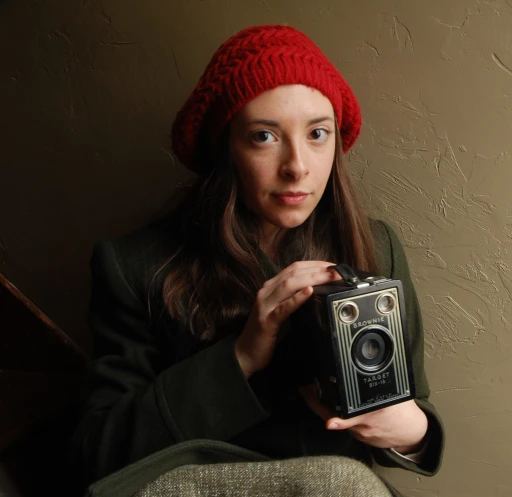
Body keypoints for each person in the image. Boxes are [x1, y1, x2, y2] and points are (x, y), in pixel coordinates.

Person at [70, 25, 444, 497]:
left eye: (317, 134)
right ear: (226, 147)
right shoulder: (134, 265)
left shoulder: (374, 245)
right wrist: (242, 355)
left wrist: (410, 431)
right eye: (264, 136)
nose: (298, 166)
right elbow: (97, 455)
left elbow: (414, 407)